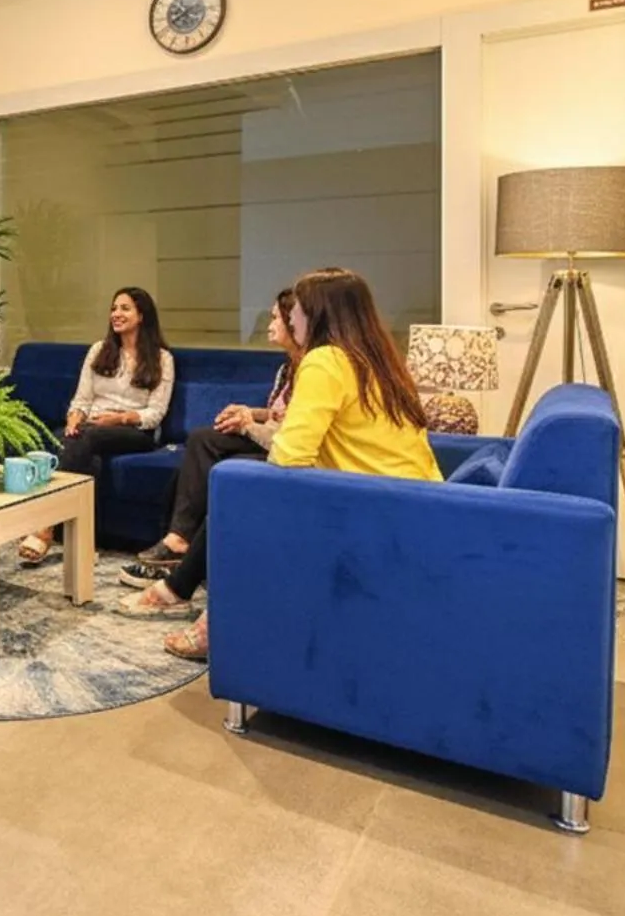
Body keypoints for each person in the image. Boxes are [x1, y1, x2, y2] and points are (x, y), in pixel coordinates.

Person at [117, 267, 443, 661]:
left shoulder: (325, 361)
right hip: (419, 504)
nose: (290, 318)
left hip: (370, 508)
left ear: (318, 314)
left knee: (238, 497)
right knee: (240, 484)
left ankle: (213, 620)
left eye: (298, 310)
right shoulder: (381, 361)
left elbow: (290, 455)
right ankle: (184, 592)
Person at [122, 288, 305, 582]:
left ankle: (177, 545)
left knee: (205, 446)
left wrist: (247, 424)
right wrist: (249, 411)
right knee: (196, 455)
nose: (269, 324)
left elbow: (289, 433)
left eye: (276, 318)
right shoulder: (287, 368)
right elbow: (277, 414)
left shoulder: (313, 370)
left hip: (284, 452)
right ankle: (175, 549)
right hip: (270, 438)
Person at [18, 288, 175, 566]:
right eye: (114, 308)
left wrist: (120, 418)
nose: (116, 314)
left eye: (125, 308)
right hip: (93, 428)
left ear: (142, 315)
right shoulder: (98, 351)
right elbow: (82, 399)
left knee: (82, 439)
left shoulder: (162, 359)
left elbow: (155, 414)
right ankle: (85, 543)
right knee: (70, 441)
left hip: (136, 431)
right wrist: (74, 418)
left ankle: (45, 528)